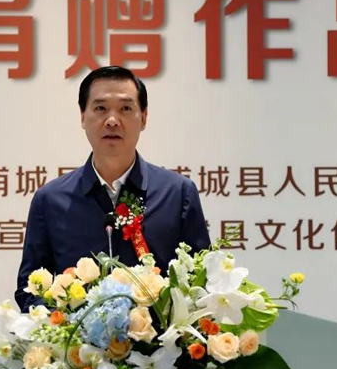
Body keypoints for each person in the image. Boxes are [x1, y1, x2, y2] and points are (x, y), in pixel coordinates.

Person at [15, 66, 210, 312]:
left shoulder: (178, 193)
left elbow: (202, 283)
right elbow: (29, 289)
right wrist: (67, 325)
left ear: (144, 118)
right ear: (83, 117)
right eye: (100, 108)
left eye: (125, 108)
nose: (112, 120)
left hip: (161, 337)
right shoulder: (50, 200)